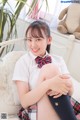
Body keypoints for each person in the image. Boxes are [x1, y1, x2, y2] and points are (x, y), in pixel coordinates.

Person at [12, 20, 77, 120]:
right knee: (49, 68)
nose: (33, 45)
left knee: (51, 68)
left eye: (38, 39)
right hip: (35, 109)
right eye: (29, 40)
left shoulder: (58, 60)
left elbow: (70, 92)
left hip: (63, 106)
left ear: (49, 40)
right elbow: (24, 102)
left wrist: (66, 85)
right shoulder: (23, 62)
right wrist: (48, 84)